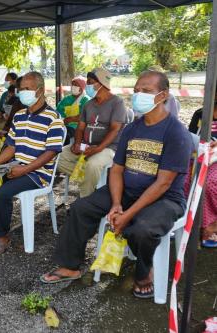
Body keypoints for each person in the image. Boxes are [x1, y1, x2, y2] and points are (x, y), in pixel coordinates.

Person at [41, 71, 192, 299]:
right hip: (128, 192)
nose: (139, 95)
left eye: (146, 91)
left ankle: (143, 273)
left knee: (142, 228)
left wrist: (127, 213)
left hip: (165, 199)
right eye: (137, 90)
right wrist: (116, 204)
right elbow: (117, 169)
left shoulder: (176, 132)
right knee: (82, 208)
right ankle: (70, 265)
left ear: (163, 96)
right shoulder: (131, 129)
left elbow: (163, 183)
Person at [0, 72, 65, 255]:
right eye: (21, 89)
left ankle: (2, 236)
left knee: (3, 192)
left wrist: (24, 170)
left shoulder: (54, 118)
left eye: (27, 89)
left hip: (39, 173)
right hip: (15, 165)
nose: (22, 93)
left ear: (40, 91)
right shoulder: (19, 116)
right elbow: (11, 146)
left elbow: (51, 152)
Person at [57, 68, 127, 198]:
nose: (87, 86)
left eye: (90, 82)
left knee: (93, 164)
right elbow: (80, 128)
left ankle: (85, 198)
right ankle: (89, 182)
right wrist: (77, 143)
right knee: (56, 156)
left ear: (101, 83)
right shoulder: (88, 105)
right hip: (86, 145)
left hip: (108, 148)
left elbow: (115, 129)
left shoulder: (117, 102)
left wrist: (98, 148)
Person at [188, 91, 217, 247]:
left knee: (210, 182)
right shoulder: (200, 114)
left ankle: (211, 225)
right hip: (200, 156)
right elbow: (190, 136)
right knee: (183, 177)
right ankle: (186, 221)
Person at [56, 76, 90, 145]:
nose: (73, 87)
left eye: (76, 85)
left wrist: (71, 119)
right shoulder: (66, 99)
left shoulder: (86, 100)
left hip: (77, 127)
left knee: (65, 135)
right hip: (63, 124)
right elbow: (58, 112)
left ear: (82, 88)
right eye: (73, 85)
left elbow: (85, 116)